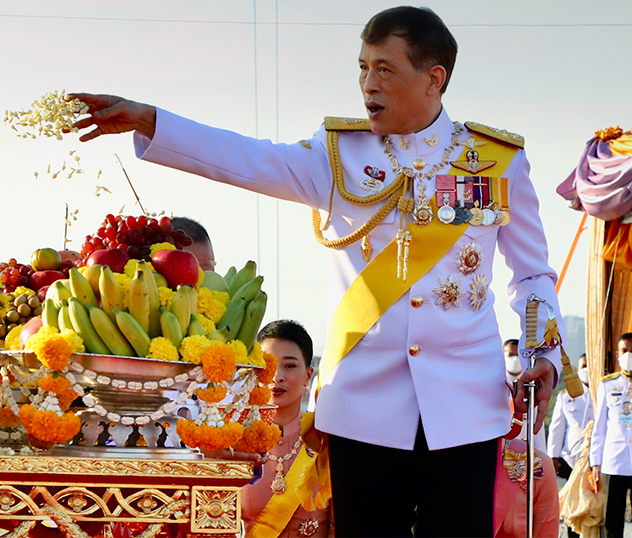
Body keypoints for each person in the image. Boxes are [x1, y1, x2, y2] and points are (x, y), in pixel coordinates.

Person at [70, 6, 565, 536]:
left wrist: (544, 354)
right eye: (362, 68)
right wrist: (151, 120)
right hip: (363, 408)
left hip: (466, 409)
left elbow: (532, 275)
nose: (367, 84)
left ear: (433, 79)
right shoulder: (337, 156)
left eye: (384, 69)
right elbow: (247, 157)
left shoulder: (497, 161)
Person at [242, 320, 331, 538]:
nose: (277, 377)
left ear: (308, 376)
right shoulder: (236, 443)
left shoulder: (327, 441)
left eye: (289, 366)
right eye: (267, 366)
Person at [589, 333, 632, 538]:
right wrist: (595, 461)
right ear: (617, 355)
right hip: (614, 461)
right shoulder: (608, 384)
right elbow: (600, 427)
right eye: (624, 350)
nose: (629, 354)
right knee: (612, 518)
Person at [548, 353, 592, 538]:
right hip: (572, 460)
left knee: (593, 509)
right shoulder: (566, 397)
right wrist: (553, 457)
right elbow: (557, 428)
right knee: (573, 507)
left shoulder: (605, 391)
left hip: (597, 461)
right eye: (583, 365)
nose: (586, 369)